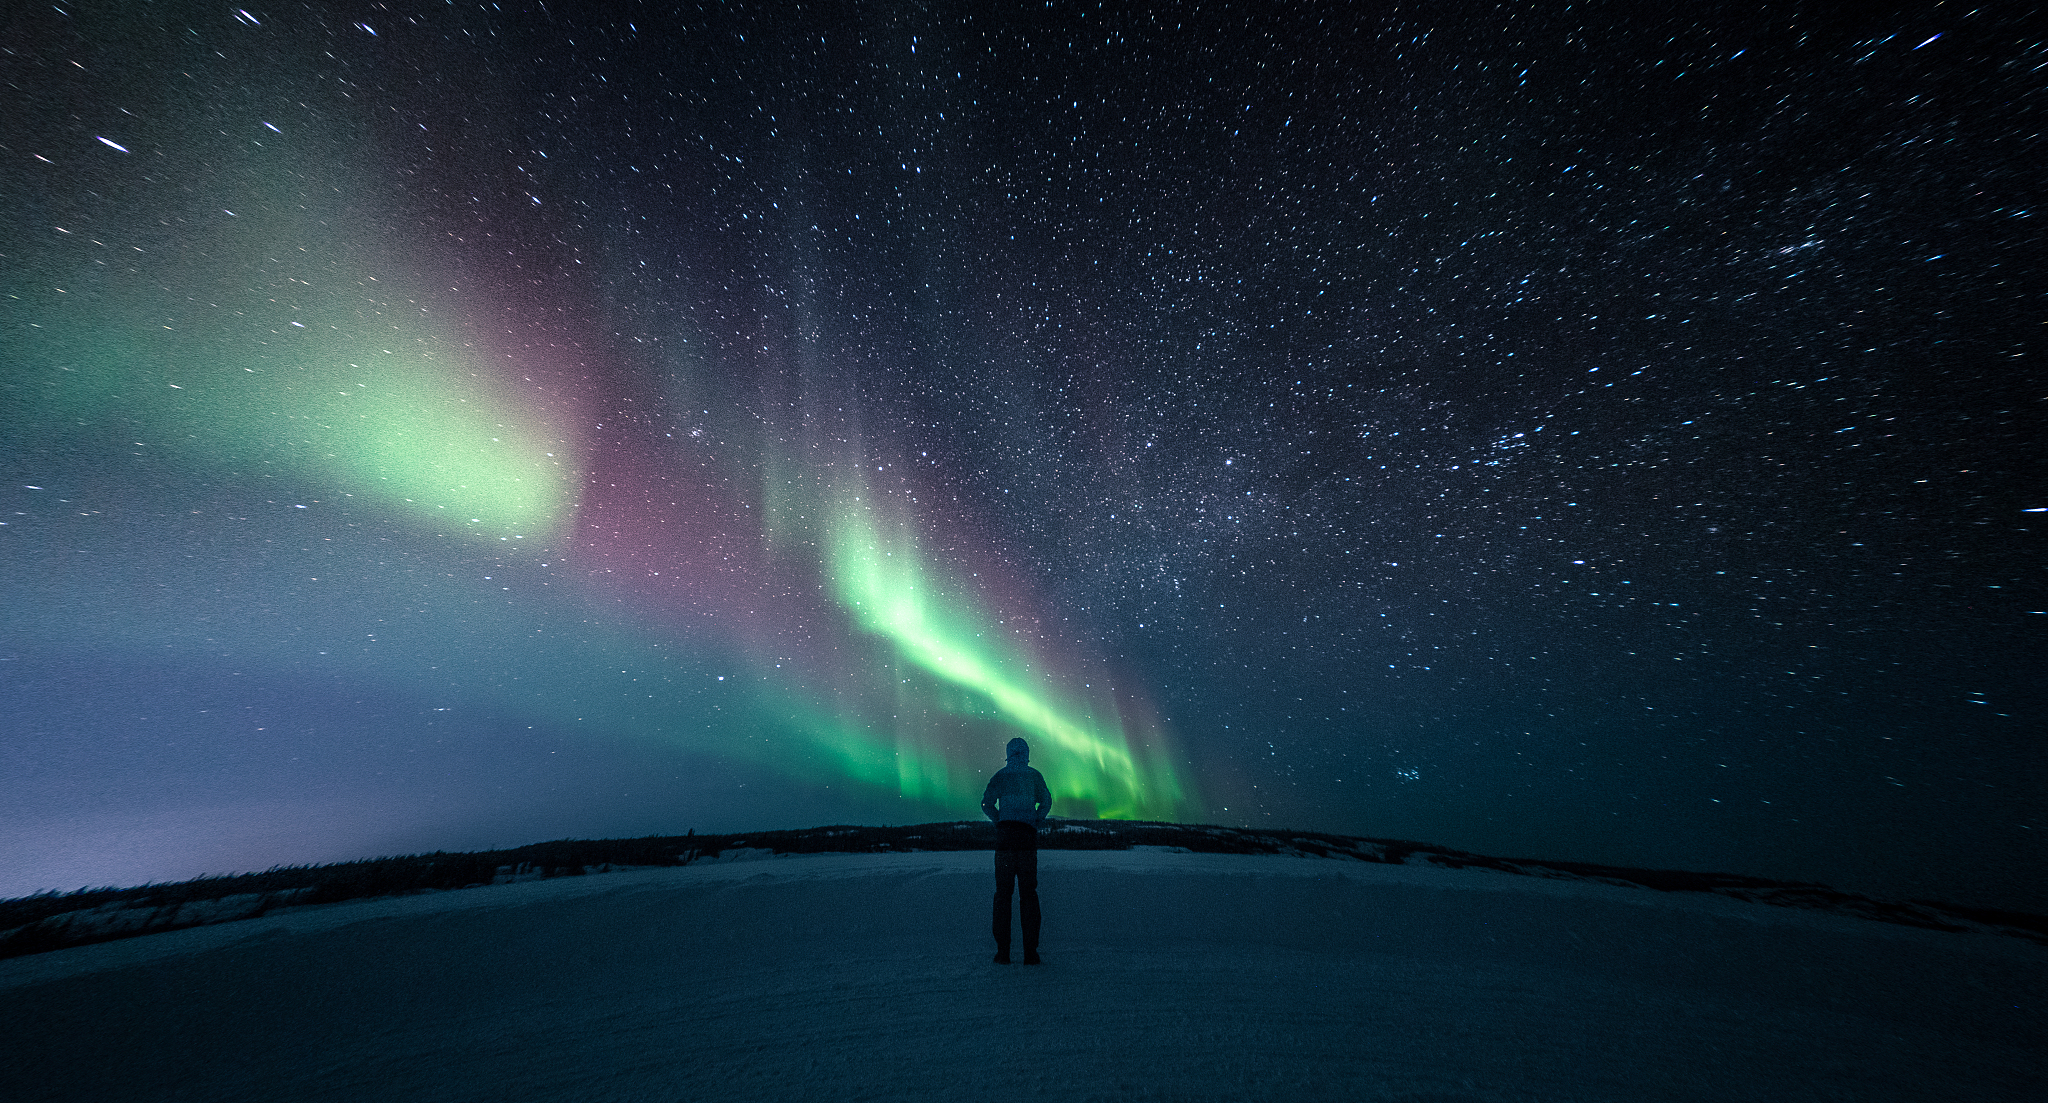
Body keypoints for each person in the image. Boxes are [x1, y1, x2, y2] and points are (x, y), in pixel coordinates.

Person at [981, 736, 1052, 964]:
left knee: (1003, 895)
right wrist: (1035, 819)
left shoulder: (1000, 776)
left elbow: (986, 803)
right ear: (1027, 753)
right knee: (1028, 895)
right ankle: (1030, 953)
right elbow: (1047, 801)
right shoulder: (1034, 776)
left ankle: (1003, 952)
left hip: (1004, 839)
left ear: (1009, 753)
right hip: (1027, 839)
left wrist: (999, 820)